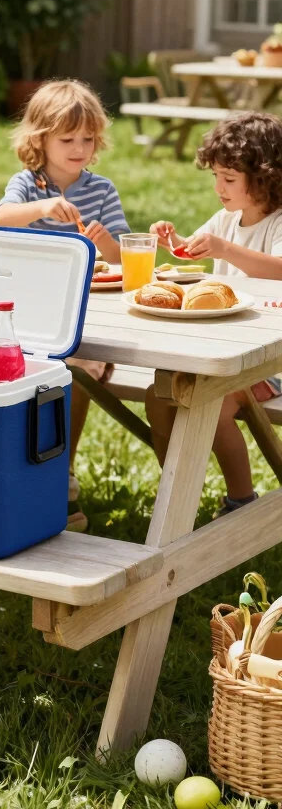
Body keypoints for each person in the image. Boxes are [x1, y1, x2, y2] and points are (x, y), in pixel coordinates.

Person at [0, 79, 130, 531]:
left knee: (75, 372)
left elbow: (125, 259)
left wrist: (107, 242)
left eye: (87, 139)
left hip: (88, 310)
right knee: (34, 375)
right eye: (67, 139)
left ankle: (59, 475)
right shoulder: (28, 185)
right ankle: (28, 476)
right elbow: (0, 217)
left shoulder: (102, 190)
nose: (79, 149)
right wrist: (44, 206)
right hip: (33, 310)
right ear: (40, 140)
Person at [147, 110, 282, 516]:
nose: (218, 188)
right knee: (159, 399)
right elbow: (195, 247)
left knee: (214, 406)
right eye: (216, 178)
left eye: (229, 179)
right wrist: (175, 243)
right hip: (221, 347)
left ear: (263, 178)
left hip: (268, 355)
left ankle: (240, 499)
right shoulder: (227, 219)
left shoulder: (277, 223)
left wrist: (225, 250)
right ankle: (178, 492)